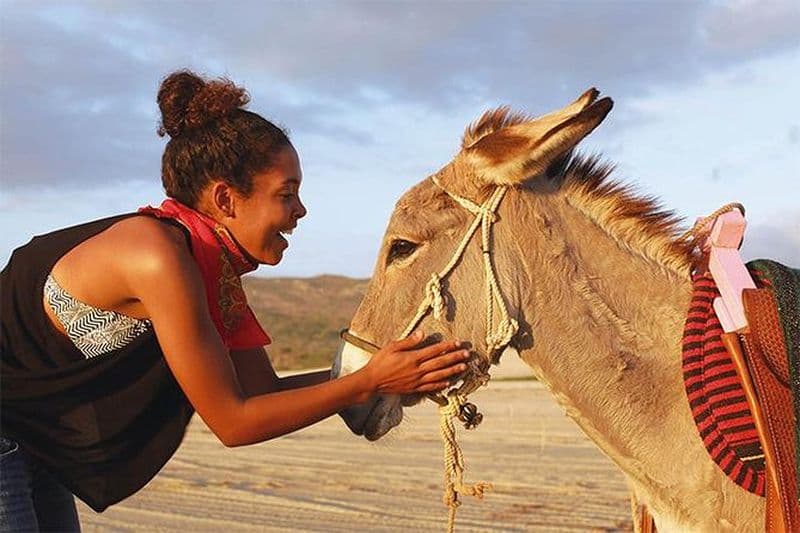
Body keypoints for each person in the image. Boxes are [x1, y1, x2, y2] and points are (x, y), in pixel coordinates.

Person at [0, 70, 469, 532]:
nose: (301, 210)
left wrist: (390, 373)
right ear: (226, 199)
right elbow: (233, 421)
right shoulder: (157, 257)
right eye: (287, 194)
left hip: (31, 435)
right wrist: (368, 381)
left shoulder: (211, 266)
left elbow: (260, 392)